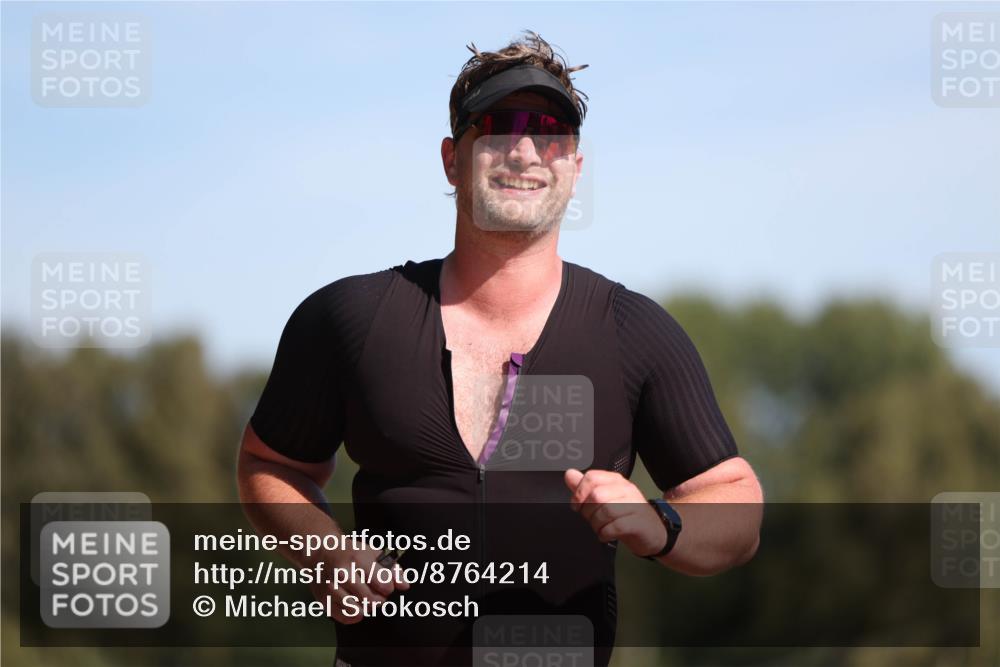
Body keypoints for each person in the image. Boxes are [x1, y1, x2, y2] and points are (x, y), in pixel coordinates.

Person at [237, 31, 763, 667]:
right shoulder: (349, 317)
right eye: (496, 126)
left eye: (550, 131)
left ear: (575, 165)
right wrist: (323, 549)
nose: (523, 150)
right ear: (451, 159)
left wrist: (661, 524)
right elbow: (271, 465)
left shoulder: (634, 331)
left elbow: (734, 504)